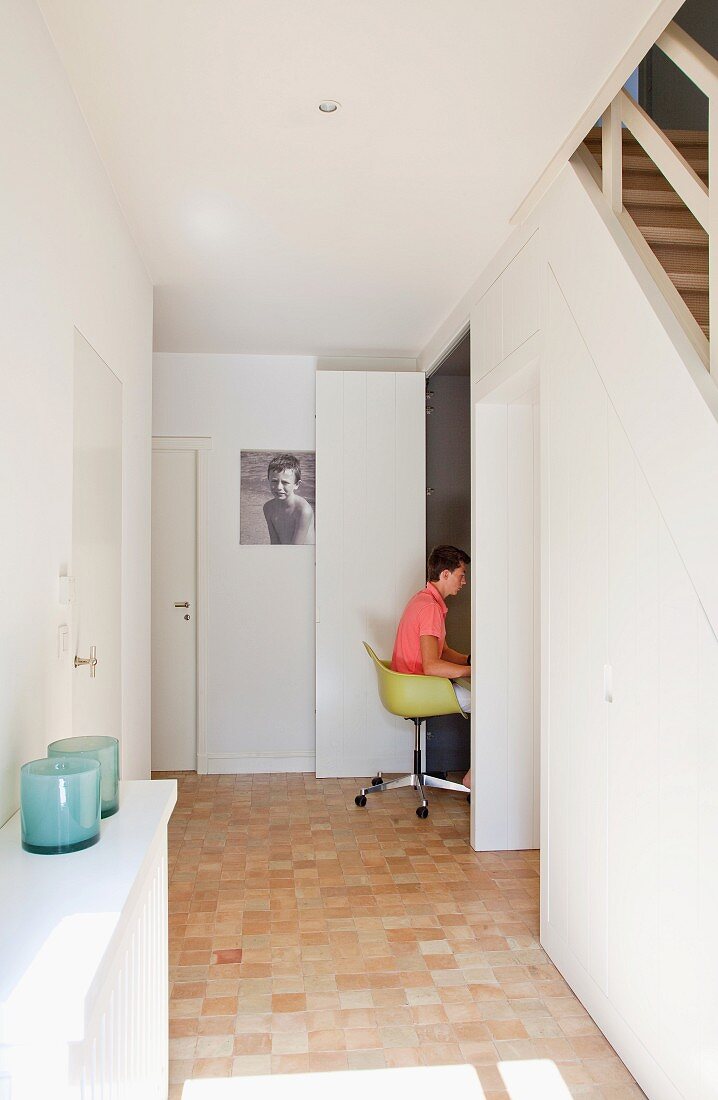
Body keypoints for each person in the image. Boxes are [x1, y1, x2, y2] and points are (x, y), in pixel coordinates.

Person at [392, 544, 472, 789]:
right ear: (445, 574)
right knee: (490, 700)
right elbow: (432, 666)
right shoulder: (430, 608)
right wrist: (474, 672)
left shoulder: (424, 601)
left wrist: (470, 660)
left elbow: (444, 651)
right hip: (418, 689)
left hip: (407, 686)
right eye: (462, 575)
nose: (464, 581)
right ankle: (475, 776)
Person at [262, 454, 315, 545]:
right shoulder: (268, 508)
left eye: (285, 482)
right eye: (274, 481)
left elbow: (296, 548)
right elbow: (274, 543)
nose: (279, 487)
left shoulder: (303, 510)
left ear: (296, 484)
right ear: (268, 480)